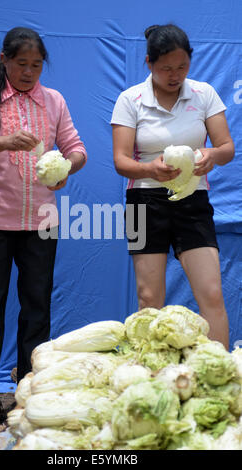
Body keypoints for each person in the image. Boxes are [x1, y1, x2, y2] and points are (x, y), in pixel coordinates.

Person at [0, 27, 87, 437]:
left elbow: (77, 148)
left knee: (37, 308)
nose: (29, 72)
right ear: (4, 60)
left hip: (41, 224)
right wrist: (4, 140)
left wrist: (67, 168)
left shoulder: (54, 101)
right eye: (22, 64)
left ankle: (31, 396)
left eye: (36, 65)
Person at [111, 24, 234, 351]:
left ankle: (220, 373)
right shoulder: (130, 100)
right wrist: (149, 168)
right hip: (141, 202)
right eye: (166, 68)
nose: (175, 74)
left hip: (194, 200)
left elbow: (227, 148)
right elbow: (121, 162)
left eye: (182, 66)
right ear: (148, 63)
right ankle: (151, 378)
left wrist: (211, 155)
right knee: (148, 297)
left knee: (211, 292)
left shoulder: (204, 94)